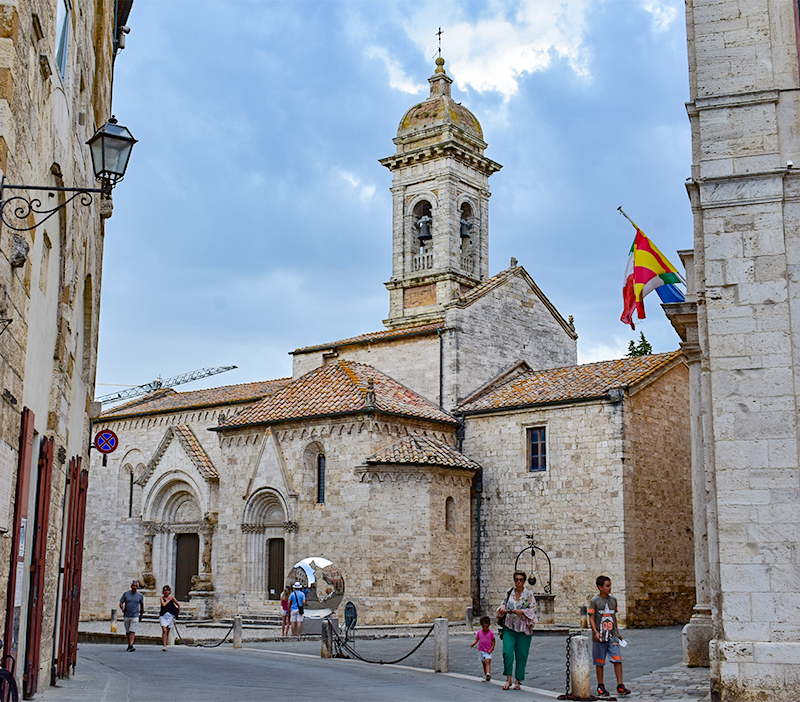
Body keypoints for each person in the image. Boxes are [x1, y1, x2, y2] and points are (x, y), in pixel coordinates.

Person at [589, 575, 630, 697]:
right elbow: (591, 617)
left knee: (617, 659)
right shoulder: (595, 601)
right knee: (599, 661)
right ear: (600, 587)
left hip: (612, 635)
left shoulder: (613, 600)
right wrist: (595, 632)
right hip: (600, 635)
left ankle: (620, 684)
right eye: (607, 586)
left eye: (610, 585)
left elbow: (614, 618)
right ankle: (600, 685)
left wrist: (617, 633)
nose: (610, 588)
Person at [495, 570, 537, 690]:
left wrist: (522, 612)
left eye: (521, 580)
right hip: (509, 626)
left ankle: (518, 681)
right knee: (507, 652)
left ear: (524, 581)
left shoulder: (529, 594)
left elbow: (533, 610)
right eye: (516, 579)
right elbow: (503, 604)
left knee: (521, 654)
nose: (518, 582)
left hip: (523, 629)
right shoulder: (509, 592)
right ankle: (508, 679)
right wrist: (502, 609)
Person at [119, 580, 144, 652]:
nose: (134, 587)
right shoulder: (126, 594)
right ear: (131, 586)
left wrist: (141, 614)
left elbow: (142, 605)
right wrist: (122, 609)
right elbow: (121, 602)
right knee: (128, 631)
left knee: (132, 630)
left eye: (136, 586)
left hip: (135, 615)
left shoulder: (140, 595)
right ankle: (129, 644)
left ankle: (131, 645)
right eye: (133, 586)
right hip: (127, 615)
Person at [471, 615, 495, 681]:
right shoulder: (479, 632)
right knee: (484, 663)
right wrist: (473, 643)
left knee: (488, 661)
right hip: (481, 650)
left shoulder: (491, 633)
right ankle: (486, 675)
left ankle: (488, 673)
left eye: (487, 627)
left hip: (488, 650)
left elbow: (493, 642)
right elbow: (476, 639)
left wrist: (491, 649)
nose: (485, 629)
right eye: (484, 627)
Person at [159, 585, 180, 651]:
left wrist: (178, 612)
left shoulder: (172, 598)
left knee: (167, 631)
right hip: (163, 615)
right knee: (164, 630)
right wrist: (169, 599)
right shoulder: (161, 598)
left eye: (167, 590)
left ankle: (165, 645)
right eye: (165, 590)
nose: (166, 591)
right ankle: (164, 645)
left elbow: (178, 604)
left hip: (170, 616)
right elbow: (163, 604)